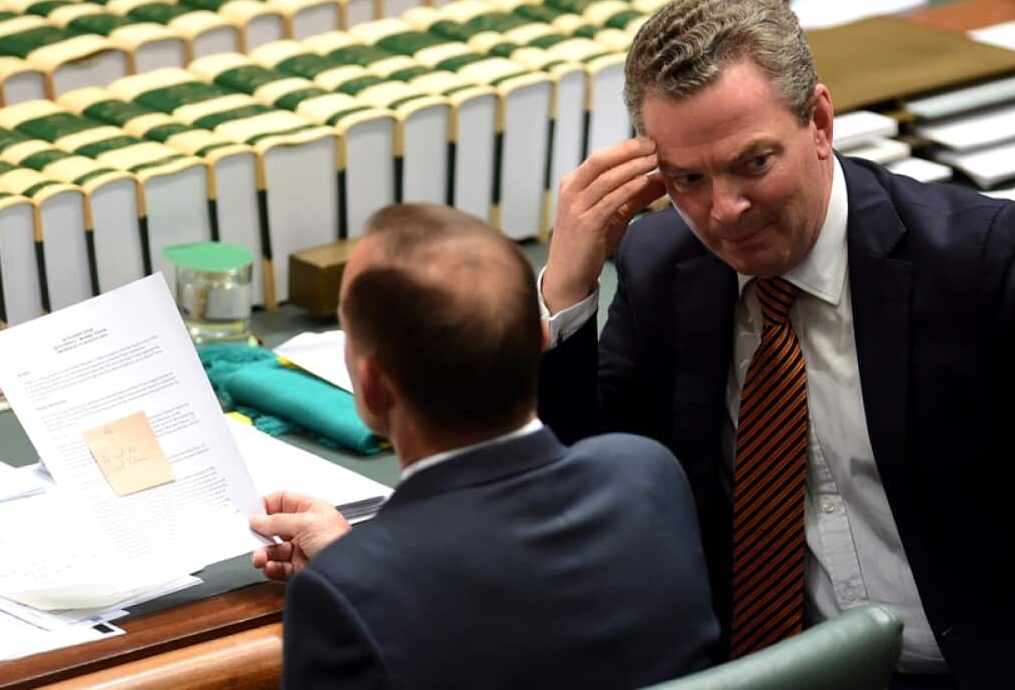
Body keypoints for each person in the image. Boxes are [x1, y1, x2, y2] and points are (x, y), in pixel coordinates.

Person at [536, 0, 1015, 690]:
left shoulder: (976, 262)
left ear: (819, 122)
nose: (724, 211)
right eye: (687, 178)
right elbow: (592, 491)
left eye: (754, 163)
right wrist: (566, 293)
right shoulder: (665, 268)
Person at [250, 202, 719, 688]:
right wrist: (357, 566)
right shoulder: (647, 473)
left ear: (371, 385)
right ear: (541, 339)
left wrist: (354, 575)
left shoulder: (336, 596)